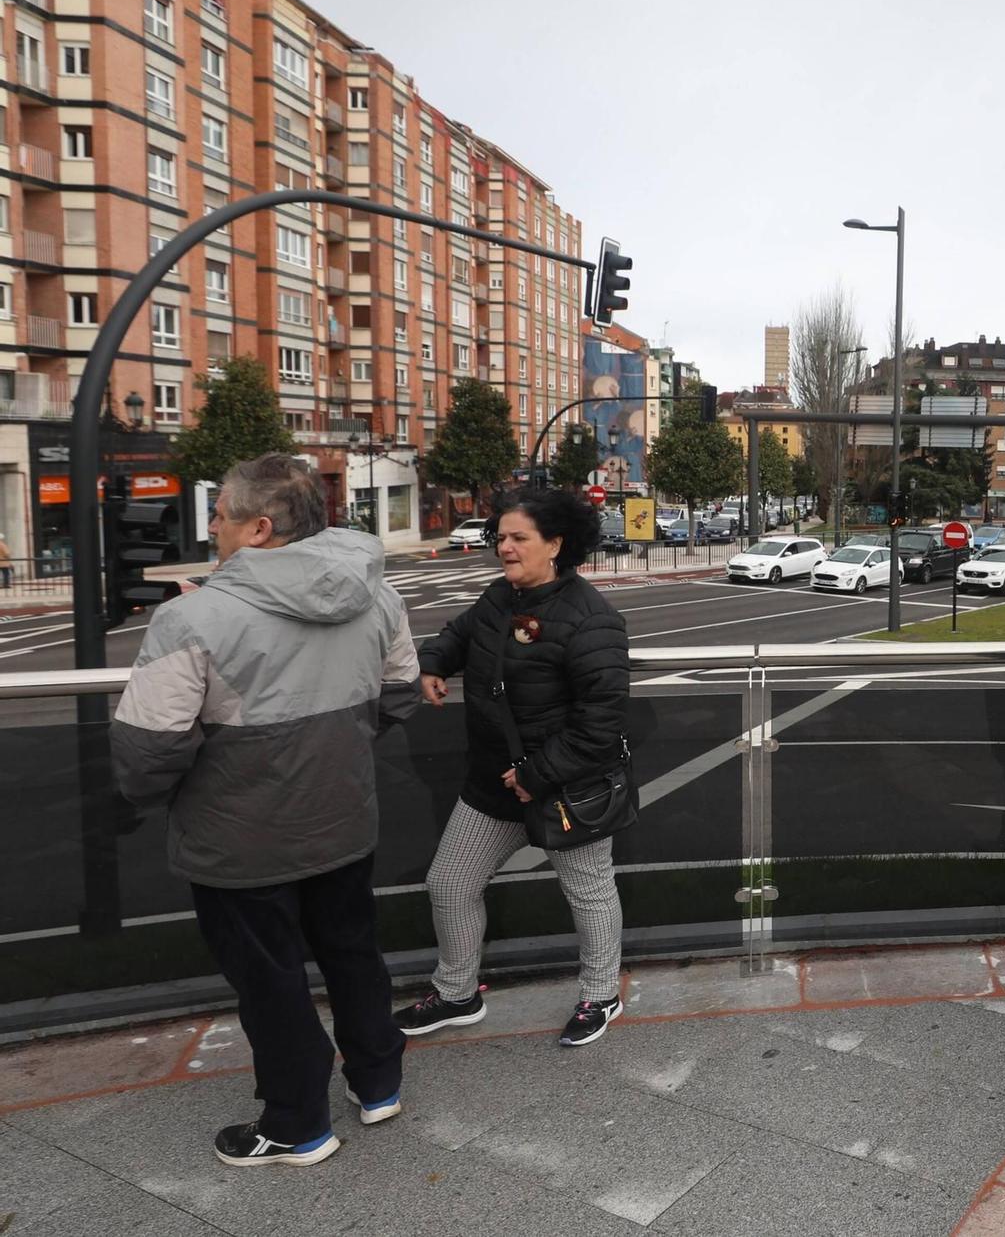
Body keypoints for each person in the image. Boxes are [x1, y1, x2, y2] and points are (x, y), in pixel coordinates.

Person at [111, 454, 419, 1167]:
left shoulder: (190, 618)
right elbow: (399, 694)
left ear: (256, 528)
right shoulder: (377, 597)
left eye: (219, 512)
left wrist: (198, 615)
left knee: (271, 982)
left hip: (239, 842)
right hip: (343, 821)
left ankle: (296, 1124)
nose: (210, 523)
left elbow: (148, 755)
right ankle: (378, 1083)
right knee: (353, 953)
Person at [397, 487, 630, 1047]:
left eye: (517, 537)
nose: (503, 546)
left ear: (555, 544)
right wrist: (433, 663)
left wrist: (535, 774)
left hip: (564, 789)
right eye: (500, 536)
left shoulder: (593, 621)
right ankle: (456, 993)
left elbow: (601, 724)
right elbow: (459, 636)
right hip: (492, 784)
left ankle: (601, 994)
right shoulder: (499, 597)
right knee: (450, 883)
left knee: (589, 892)